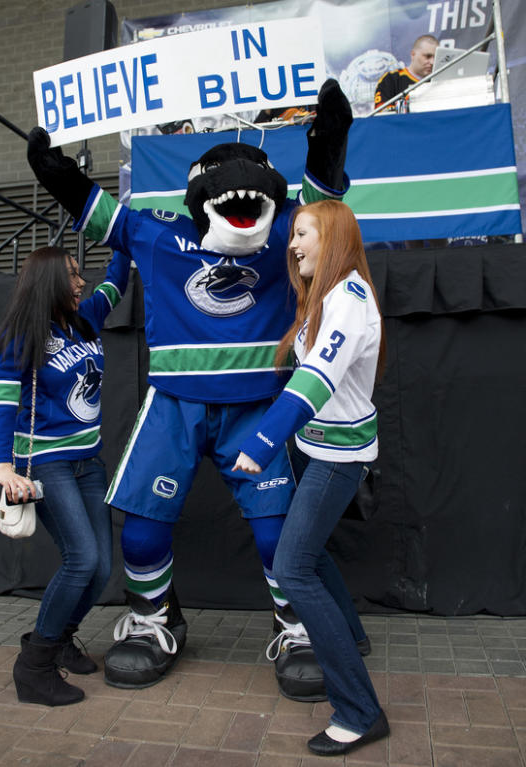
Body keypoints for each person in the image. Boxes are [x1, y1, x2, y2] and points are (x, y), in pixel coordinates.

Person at [26, 79, 364, 701]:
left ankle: (296, 627)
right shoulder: (158, 236)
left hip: (259, 402)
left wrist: (329, 139)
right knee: (144, 527)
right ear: (193, 198)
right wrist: (55, 173)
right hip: (175, 403)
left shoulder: (286, 230)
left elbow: (324, 204)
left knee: (275, 532)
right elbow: (94, 211)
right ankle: (156, 621)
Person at [233, 199, 389, 756]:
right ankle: (353, 637)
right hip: (310, 448)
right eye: (293, 234)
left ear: (334, 238)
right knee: (311, 554)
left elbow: (319, 378)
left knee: (294, 568)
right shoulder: (322, 297)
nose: (292, 244)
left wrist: (263, 440)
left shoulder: (349, 298)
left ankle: (360, 711)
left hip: (336, 458)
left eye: (303, 234)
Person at [0, 245, 130, 706]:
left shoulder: (86, 317)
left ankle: (62, 636)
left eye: (78, 273)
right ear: (48, 281)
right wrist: (4, 468)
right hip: (47, 464)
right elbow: (3, 402)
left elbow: (114, 282)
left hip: (89, 462)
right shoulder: (23, 332)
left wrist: (122, 236)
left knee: (102, 567)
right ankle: (34, 667)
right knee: (81, 560)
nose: (79, 282)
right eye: (70, 275)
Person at [374, 34, 438, 112]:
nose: (432, 62)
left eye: (435, 57)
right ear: (413, 54)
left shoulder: (440, 82)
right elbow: (381, 113)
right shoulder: (391, 79)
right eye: (427, 56)